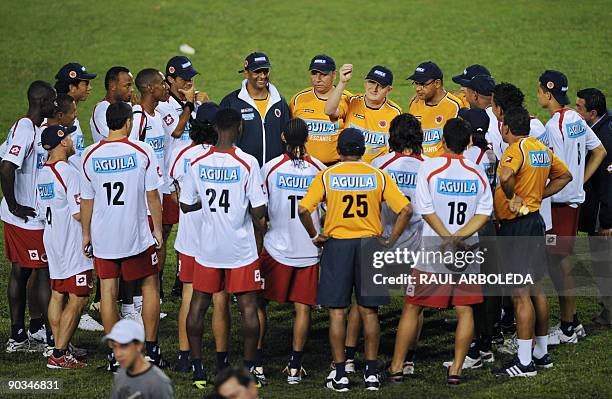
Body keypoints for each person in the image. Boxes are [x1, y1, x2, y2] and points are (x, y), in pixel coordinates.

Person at [298, 128, 412, 392]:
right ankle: (371, 374)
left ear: (339, 151)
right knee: (369, 312)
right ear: (362, 150)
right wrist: (390, 240)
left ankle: (340, 373)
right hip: (370, 245)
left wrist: (315, 234)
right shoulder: (378, 175)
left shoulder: (327, 175)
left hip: (337, 246)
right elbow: (405, 209)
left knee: (337, 312)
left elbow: (304, 208)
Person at [384, 118, 492, 386]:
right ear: (468, 143)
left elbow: (425, 209)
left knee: (413, 306)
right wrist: (458, 237)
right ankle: (456, 369)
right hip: (466, 251)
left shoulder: (431, 168)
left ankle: (397, 366)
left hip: (433, 250)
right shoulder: (477, 171)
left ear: (443, 140)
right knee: (464, 310)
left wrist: (446, 238)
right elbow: (484, 213)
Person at [180, 108, 267, 388]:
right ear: (239, 127)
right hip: (240, 248)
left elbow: (185, 203)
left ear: (215, 128)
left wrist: (204, 204)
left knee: (198, 305)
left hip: (208, 247)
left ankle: (197, 369)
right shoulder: (248, 163)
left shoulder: (197, 163)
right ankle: (250, 368)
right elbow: (258, 209)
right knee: (248, 309)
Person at [80, 101, 164, 372]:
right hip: (136, 235)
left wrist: (85, 234)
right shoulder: (142, 151)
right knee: (149, 286)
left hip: (104, 237)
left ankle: (117, 355)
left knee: (107, 292)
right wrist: (158, 230)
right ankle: (150, 350)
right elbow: (152, 195)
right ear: (129, 122)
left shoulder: (89, 155)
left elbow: (87, 199)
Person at [492, 106, 572, 377]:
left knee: (519, 294)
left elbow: (505, 176)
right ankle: (541, 352)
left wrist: (513, 197)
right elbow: (565, 176)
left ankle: (524, 363)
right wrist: (540, 194)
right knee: (536, 288)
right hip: (535, 222)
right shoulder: (540, 148)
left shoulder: (516, 149)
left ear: (506, 128)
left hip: (517, 228)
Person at [537, 71, 607, 345]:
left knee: (560, 266)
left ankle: (567, 327)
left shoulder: (553, 128)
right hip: (572, 201)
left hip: (559, 204)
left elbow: (547, 167)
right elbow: (599, 151)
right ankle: (573, 322)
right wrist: (580, 181)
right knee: (559, 263)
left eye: (540, 90)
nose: (539, 94)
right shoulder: (576, 118)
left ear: (548, 93)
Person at [258, 118, 325, 385]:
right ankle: (295, 368)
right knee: (303, 308)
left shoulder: (270, 168)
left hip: (275, 248)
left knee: (259, 304)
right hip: (310, 249)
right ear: (307, 138)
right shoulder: (319, 169)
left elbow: (259, 210)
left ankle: (258, 364)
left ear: (284, 137)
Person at [168, 103, 231, 374]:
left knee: (189, 296)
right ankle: (221, 359)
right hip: (220, 238)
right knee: (220, 298)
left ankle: (185, 357)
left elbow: (174, 194)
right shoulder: (229, 156)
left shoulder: (181, 153)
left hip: (190, 238)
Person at [1, 81, 56, 353]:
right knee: (43, 273)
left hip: (22, 218)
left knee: (20, 271)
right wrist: (15, 205)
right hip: (27, 219)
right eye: (52, 101)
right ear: (42, 103)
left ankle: (18, 336)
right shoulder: (25, 129)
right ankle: (51, 342)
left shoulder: (28, 128)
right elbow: (6, 166)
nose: (56, 105)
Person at [371, 113, 425, 377]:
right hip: (417, 247)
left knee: (367, 305)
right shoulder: (429, 166)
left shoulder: (379, 164)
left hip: (383, 245)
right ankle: (410, 358)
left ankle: (354, 357)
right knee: (414, 305)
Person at [37, 124, 91, 369]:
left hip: (52, 238)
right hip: (70, 241)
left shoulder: (43, 173)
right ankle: (59, 355)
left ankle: (59, 346)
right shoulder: (67, 172)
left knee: (58, 293)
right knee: (78, 297)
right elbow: (79, 213)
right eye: (68, 136)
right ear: (62, 142)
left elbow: (40, 211)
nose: (71, 139)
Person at [157, 55, 207, 299]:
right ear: (170, 79)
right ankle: (157, 284)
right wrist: (190, 106)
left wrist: (202, 107)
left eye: (191, 77)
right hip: (171, 177)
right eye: (184, 78)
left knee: (189, 226)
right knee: (166, 230)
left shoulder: (192, 102)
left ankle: (181, 279)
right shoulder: (163, 106)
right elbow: (177, 131)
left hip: (195, 174)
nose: (189, 82)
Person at [458, 107, 501, 367]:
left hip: (473, 226)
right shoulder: (490, 153)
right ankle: (486, 344)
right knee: (489, 287)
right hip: (490, 224)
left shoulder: (468, 158)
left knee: (472, 288)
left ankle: (474, 349)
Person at [131, 69, 172, 303]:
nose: (165, 87)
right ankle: (136, 303)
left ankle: (145, 300)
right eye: (161, 84)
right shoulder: (138, 118)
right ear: (148, 88)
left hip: (158, 189)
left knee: (154, 244)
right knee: (140, 248)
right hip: (141, 196)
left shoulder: (155, 116)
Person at [575, 88, 612, 327]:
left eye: (579, 108)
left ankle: (608, 314)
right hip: (599, 209)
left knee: (604, 264)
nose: (576, 111)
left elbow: (609, 183)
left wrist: (608, 221)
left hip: (603, 213)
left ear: (593, 112)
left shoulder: (605, 136)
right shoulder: (603, 125)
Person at [220, 52, 290, 166]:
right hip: (243, 170)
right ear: (246, 73)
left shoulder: (279, 102)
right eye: (257, 71)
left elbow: (287, 136)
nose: (262, 76)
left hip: (273, 172)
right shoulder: (231, 102)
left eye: (265, 71)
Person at [325, 64, 402, 163]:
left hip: (376, 172)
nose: (374, 89)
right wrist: (342, 82)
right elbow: (329, 111)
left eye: (381, 86)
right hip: (348, 167)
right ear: (365, 83)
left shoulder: (395, 113)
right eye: (371, 82)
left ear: (389, 90)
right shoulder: (351, 101)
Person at [290, 54, 351, 165]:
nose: (317, 79)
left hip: (335, 166)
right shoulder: (299, 99)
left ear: (334, 75)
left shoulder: (348, 99)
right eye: (314, 73)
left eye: (323, 74)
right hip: (304, 166)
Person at [107, 319, 174, 399]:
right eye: (114, 347)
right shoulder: (120, 375)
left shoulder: (158, 382)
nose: (117, 354)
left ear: (139, 346)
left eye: (123, 347)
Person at [407, 61, 463, 157]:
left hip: (442, 166)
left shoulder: (454, 106)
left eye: (422, 84)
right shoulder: (415, 104)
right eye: (416, 83)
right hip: (419, 165)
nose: (417, 89)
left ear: (437, 83)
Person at [53, 62, 97, 170]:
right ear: (72, 87)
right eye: (86, 84)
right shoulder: (57, 119)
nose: (90, 88)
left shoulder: (70, 115)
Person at [90, 66, 134, 143]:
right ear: (113, 86)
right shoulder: (102, 111)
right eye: (127, 86)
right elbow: (120, 139)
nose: (132, 90)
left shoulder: (127, 106)